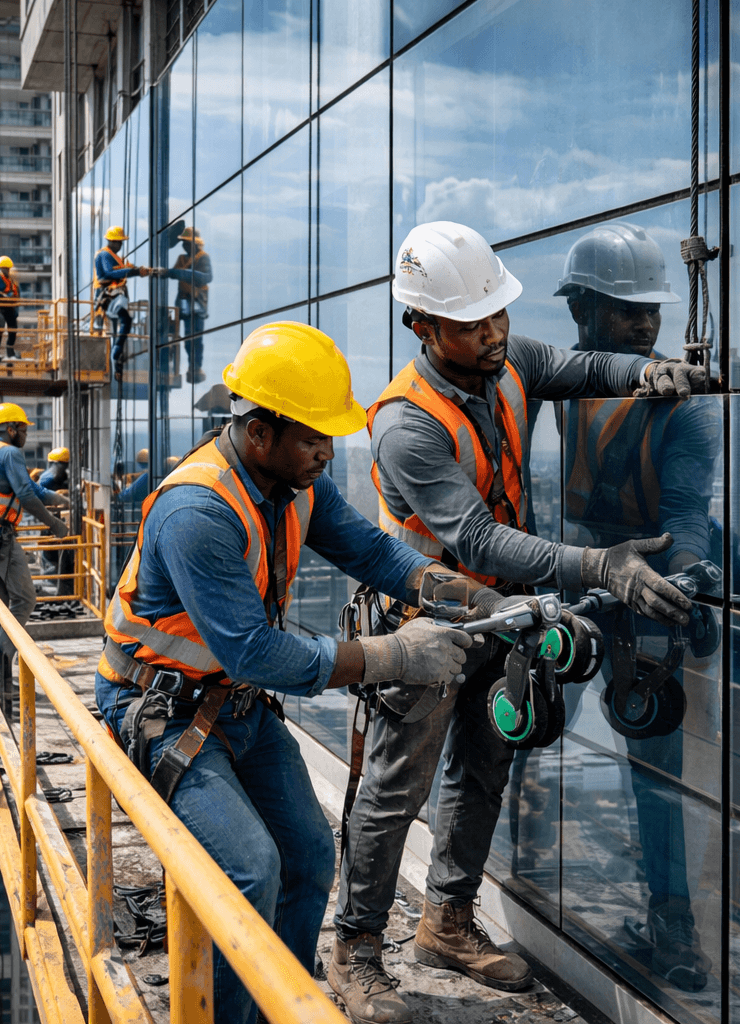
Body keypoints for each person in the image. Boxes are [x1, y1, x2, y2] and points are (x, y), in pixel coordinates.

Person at [328, 221, 708, 1024]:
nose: (494, 333)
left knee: (485, 769)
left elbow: (585, 366)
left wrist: (650, 372)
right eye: (473, 324)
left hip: (511, 617)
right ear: (423, 327)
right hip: (436, 620)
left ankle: (448, 922)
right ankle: (357, 947)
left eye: (499, 314)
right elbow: (475, 536)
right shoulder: (406, 423)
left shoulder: (511, 360)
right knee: (398, 788)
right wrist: (601, 567)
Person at [95, 321, 499, 1024]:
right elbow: (256, 652)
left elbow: (371, 552)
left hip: (233, 707)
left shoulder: (292, 485)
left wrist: (457, 591)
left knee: (310, 855)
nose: (326, 451)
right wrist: (392, 656)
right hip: (162, 713)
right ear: (259, 432)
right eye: (312, 436)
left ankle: (278, 1004)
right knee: (250, 869)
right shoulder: (200, 512)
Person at [549, 222, 719, 991]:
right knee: (526, 720)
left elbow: (685, 513)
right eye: (626, 310)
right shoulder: (564, 382)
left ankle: (674, 921)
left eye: (650, 310)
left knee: (655, 764)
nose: (646, 325)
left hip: (643, 582)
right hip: (578, 576)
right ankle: (479, 870)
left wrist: (685, 581)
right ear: (583, 311)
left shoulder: (682, 411)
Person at [0, 403, 69, 713]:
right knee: (25, 600)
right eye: (23, 429)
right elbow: (25, 496)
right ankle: (3, 662)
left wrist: (60, 499)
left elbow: (31, 489)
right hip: (0, 539)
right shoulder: (10, 454)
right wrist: (54, 524)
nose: (26, 434)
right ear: (11, 429)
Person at [152, 226, 213, 383]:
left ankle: (195, 367)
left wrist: (181, 274)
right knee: (183, 337)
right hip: (184, 301)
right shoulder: (182, 259)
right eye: (183, 243)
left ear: (194, 243)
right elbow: (173, 273)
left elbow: (206, 277)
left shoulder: (202, 258)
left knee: (195, 338)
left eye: (186, 242)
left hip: (197, 302)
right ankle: (172, 363)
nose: (184, 245)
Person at [93, 226, 150, 380]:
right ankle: (116, 356)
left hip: (114, 297)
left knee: (120, 328)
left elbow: (120, 271)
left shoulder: (114, 256)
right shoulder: (104, 255)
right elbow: (108, 274)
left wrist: (136, 270)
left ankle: (116, 360)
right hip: (106, 297)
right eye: (119, 242)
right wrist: (132, 271)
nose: (121, 245)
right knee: (124, 321)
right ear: (112, 242)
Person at [0, 255, 20, 363]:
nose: (7, 270)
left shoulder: (10, 280)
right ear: (0, 268)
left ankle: (10, 353)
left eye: (8, 269)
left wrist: (14, 302)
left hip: (9, 307)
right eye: (5, 268)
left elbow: (16, 293)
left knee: (13, 328)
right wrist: (4, 296)